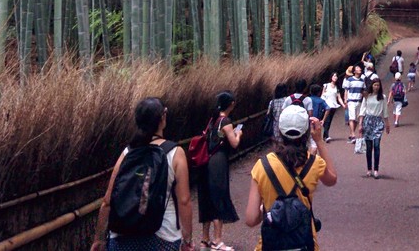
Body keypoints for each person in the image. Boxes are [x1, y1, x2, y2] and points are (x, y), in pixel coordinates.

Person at [91, 97, 195, 251]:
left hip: (122, 236)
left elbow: (108, 200)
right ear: (163, 117)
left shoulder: (128, 152)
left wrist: (99, 239)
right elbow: (184, 200)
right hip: (163, 236)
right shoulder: (175, 153)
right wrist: (187, 240)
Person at [245, 105, 337, 251]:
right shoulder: (314, 163)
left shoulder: (263, 165)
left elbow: (251, 219)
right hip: (304, 243)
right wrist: (319, 141)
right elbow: (332, 179)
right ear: (307, 132)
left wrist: (267, 209)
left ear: (280, 131)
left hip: (270, 245)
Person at [196, 91, 242, 251]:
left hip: (206, 161)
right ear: (231, 104)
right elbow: (234, 143)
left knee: (208, 197)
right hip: (218, 162)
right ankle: (217, 241)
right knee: (219, 196)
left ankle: (205, 240)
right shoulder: (225, 121)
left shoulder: (212, 120)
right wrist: (239, 133)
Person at [356, 78, 390, 178]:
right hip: (368, 121)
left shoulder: (382, 97)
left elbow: (385, 112)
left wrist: (387, 124)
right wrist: (360, 124)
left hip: (378, 122)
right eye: (375, 85)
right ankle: (369, 169)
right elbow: (362, 110)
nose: (376, 87)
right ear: (372, 86)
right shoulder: (367, 96)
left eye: (378, 85)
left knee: (376, 145)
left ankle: (376, 170)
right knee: (369, 147)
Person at [321, 72, 344, 143]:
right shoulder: (326, 85)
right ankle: (326, 135)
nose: (335, 77)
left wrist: (343, 104)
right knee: (326, 120)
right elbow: (322, 95)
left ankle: (325, 135)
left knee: (329, 120)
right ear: (331, 77)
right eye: (334, 76)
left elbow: (339, 97)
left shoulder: (337, 88)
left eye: (336, 76)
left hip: (333, 105)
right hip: (327, 105)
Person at [344, 65, 366, 142]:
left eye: (359, 68)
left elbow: (363, 91)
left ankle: (351, 133)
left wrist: (366, 99)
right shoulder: (350, 80)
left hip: (359, 101)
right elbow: (346, 90)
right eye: (357, 68)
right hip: (351, 101)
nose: (359, 69)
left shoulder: (362, 81)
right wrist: (345, 100)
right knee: (352, 118)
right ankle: (353, 134)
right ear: (354, 71)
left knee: (356, 119)